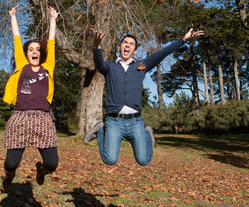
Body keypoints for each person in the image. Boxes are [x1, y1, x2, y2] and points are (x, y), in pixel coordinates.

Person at [84, 27, 204, 166]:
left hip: (136, 122)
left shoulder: (141, 66)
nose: (127, 45)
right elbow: (99, 63)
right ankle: (100, 130)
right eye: (125, 42)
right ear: (120, 47)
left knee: (144, 160)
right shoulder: (110, 67)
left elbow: (162, 53)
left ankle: (147, 133)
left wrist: (182, 40)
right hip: (114, 121)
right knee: (109, 159)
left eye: (131, 44)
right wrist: (97, 45)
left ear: (135, 51)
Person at [0, 5, 59, 192]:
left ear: (41, 54)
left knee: (52, 163)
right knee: (10, 163)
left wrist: (53, 19)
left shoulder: (48, 68)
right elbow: (17, 40)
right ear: (26, 54)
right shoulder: (22, 66)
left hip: (43, 118)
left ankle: (41, 171)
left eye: (37, 49)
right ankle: (9, 175)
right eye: (31, 49)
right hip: (21, 117)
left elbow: (51, 41)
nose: (34, 51)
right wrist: (13, 17)